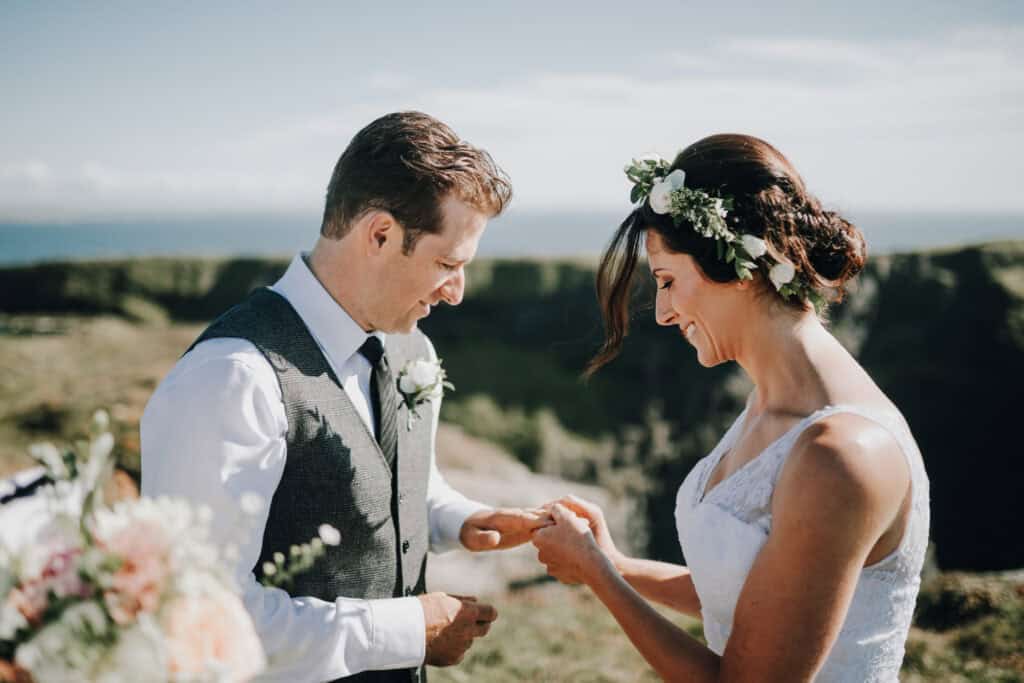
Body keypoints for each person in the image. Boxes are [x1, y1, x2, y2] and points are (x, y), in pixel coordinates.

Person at [142, 112, 549, 683]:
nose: (458, 293)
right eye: (447, 264)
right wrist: (407, 631)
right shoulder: (230, 379)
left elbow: (396, 479)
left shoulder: (412, 349)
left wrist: (462, 520)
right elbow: (201, 615)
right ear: (379, 235)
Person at [531, 134, 930, 682]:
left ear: (735, 265)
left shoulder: (841, 454)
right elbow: (754, 596)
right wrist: (616, 564)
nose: (663, 313)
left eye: (667, 281)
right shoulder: (768, 404)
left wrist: (601, 577)